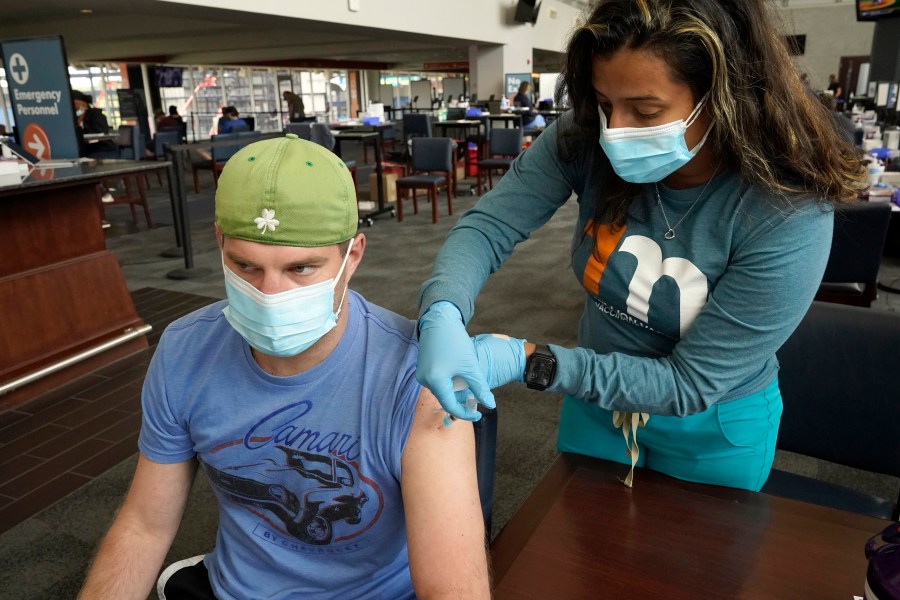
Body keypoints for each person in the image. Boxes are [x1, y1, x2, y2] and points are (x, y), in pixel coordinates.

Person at [416, 0, 864, 492]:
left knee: (694, 560)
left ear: (725, 97)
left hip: (709, 422)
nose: (616, 131)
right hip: (596, 398)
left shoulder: (787, 210)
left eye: (646, 111)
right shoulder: (586, 133)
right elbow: (489, 227)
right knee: (582, 542)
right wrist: (442, 309)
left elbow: (689, 383)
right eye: (605, 103)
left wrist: (527, 359)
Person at [78, 135, 489, 599]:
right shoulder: (184, 351)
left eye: (301, 269)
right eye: (246, 266)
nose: (270, 295)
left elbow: (453, 589)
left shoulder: (419, 376)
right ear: (220, 245)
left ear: (351, 257)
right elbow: (144, 526)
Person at [72, 90, 117, 157]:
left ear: (84, 103)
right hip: (85, 150)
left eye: (76, 104)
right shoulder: (74, 118)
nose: (75, 107)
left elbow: (100, 132)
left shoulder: (96, 115)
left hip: (101, 149)